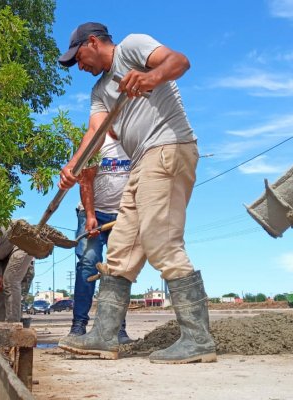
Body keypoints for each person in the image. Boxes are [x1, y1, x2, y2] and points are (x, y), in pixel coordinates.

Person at [56, 22, 216, 363]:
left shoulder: (132, 47)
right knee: (121, 250)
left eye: (78, 57)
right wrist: (73, 166)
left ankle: (198, 339)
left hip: (169, 148)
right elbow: (96, 132)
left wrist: (149, 77)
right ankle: (104, 335)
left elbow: (180, 61)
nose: (78, 66)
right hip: (142, 162)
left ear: (93, 42)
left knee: (162, 242)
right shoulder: (99, 91)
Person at [69, 130, 133, 345]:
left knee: (120, 269)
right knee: (88, 264)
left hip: (123, 215)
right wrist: (90, 215)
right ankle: (78, 325)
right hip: (93, 212)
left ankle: (117, 328)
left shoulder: (136, 141)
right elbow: (85, 181)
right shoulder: (98, 142)